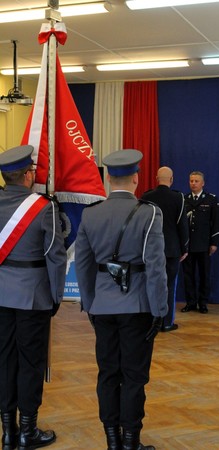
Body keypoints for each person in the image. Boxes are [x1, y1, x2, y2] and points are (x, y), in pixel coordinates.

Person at [75, 149, 168, 450]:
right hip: (137, 307)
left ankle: (112, 440)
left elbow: (84, 265)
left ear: (108, 179)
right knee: (134, 375)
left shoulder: (90, 214)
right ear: (137, 178)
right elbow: (156, 267)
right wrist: (160, 310)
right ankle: (130, 441)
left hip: (102, 306)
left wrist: (90, 302)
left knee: (107, 373)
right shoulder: (149, 212)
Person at [0, 145, 67, 450]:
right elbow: (55, 256)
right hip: (32, 297)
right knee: (30, 363)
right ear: (27, 175)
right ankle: (28, 430)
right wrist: (55, 296)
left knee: (3, 361)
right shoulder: (44, 207)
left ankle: (7, 431)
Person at [142, 167, 188, 332]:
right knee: (169, 286)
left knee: (150, 284)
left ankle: (150, 321)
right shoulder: (178, 198)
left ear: (156, 178)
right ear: (171, 179)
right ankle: (167, 322)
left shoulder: (146, 197)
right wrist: (185, 248)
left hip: (150, 250)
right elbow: (182, 224)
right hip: (171, 250)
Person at [181, 171, 219, 314]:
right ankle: (191, 302)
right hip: (188, 245)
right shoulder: (184, 200)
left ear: (203, 183)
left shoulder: (211, 200)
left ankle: (203, 303)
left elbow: (216, 223)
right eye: (191, 181)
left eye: (196, 181)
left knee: (204, 275)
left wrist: (214, 242)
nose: (193, 183)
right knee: (188, 275)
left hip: (204, 244)